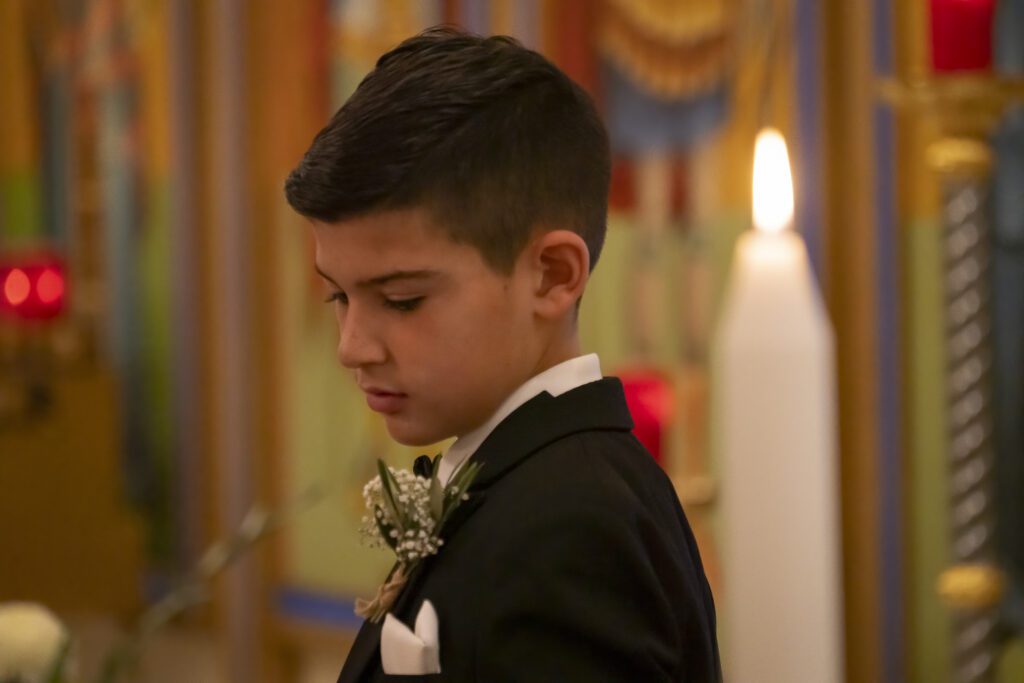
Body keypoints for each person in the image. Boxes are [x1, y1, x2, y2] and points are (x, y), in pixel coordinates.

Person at [285, 26, 721, 682]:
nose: (352, 346)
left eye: (401, 298)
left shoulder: (572, 534)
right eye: (338, 298)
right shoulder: (527, 481)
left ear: (551, 273)